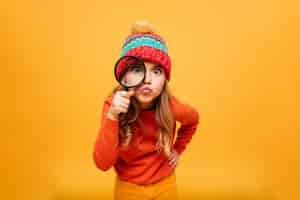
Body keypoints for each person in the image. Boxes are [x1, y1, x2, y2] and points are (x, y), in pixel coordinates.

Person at [93, 20, 200, 200]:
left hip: (164, 183)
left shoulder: (171, 106)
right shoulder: (113, 105)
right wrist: (112, 116)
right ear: (123, 75)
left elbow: (193, 119)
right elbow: (102, 163)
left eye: (157, 71)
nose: (147, 79)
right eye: (137, 69)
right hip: (128, 185)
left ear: (166, 78)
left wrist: (178, 148)